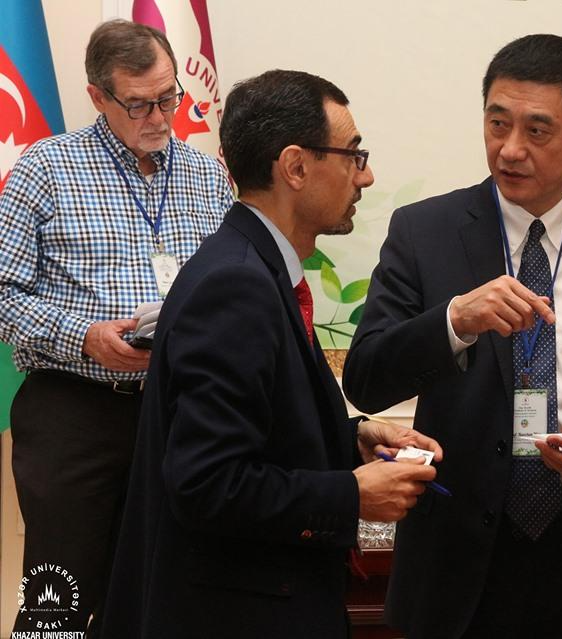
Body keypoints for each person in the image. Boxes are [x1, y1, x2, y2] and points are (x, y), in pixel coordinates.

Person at [343, 34, 562, 639]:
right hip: (454, 555)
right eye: (497, 123)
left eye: (537, 131)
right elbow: (368, 378)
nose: (509, 149)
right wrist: (453, 321)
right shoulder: (425, 231)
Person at [100, 69, 442, 639]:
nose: (366, 175)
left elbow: (260, 427)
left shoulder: (254, 268)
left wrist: (352, 438)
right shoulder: (237, 285)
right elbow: (207, 483)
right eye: (353, 155)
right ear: (296, 167)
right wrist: (351, 494)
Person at [0, 19, 232, 635]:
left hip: (181, 410)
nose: (159, 117)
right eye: (139, 104)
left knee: (165, 593)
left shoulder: (207, 175)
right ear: (98, 97)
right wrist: (84, 337)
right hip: (76, 412)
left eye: (168, 97)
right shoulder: (45, 168)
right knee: (60, 603)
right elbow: (2, 294)